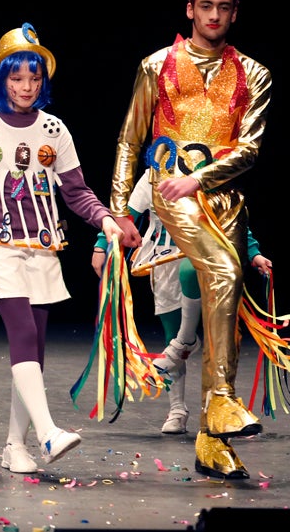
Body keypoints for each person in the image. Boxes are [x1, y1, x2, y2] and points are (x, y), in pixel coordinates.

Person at [0, 23, 140, 475]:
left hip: (43, 244)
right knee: (22, 333)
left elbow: (77, 191)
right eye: (17, 77)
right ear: (1, 80)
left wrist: (105, 220)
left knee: (36, 348)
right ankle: (47, 432)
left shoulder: (53, 129)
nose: (27, 86)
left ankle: (14, 445)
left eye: (35, 78)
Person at [108, 0, 270, 480]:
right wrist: (117, 213)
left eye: (224, 7)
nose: (214, 16)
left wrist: (202, 179)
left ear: (234, 12)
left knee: (226, 319)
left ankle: (212, 442)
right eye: (206, 5)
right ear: (189, 9)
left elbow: (250, 148)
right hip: (172, 195)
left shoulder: (254, 74)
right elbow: (131, 142)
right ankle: (220, 400)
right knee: (222, 273)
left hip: (224, 203)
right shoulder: (157, 66)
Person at [91, 167, 272, 434]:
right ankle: (177, 408)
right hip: (163, 258)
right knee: (170, 333)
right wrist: (100, 245)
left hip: (206, 256)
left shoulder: (209, 173)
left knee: (216, 333)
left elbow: (231, 217)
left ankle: (219, 399)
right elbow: (126, 213)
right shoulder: (154, 174)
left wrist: (253, 252)